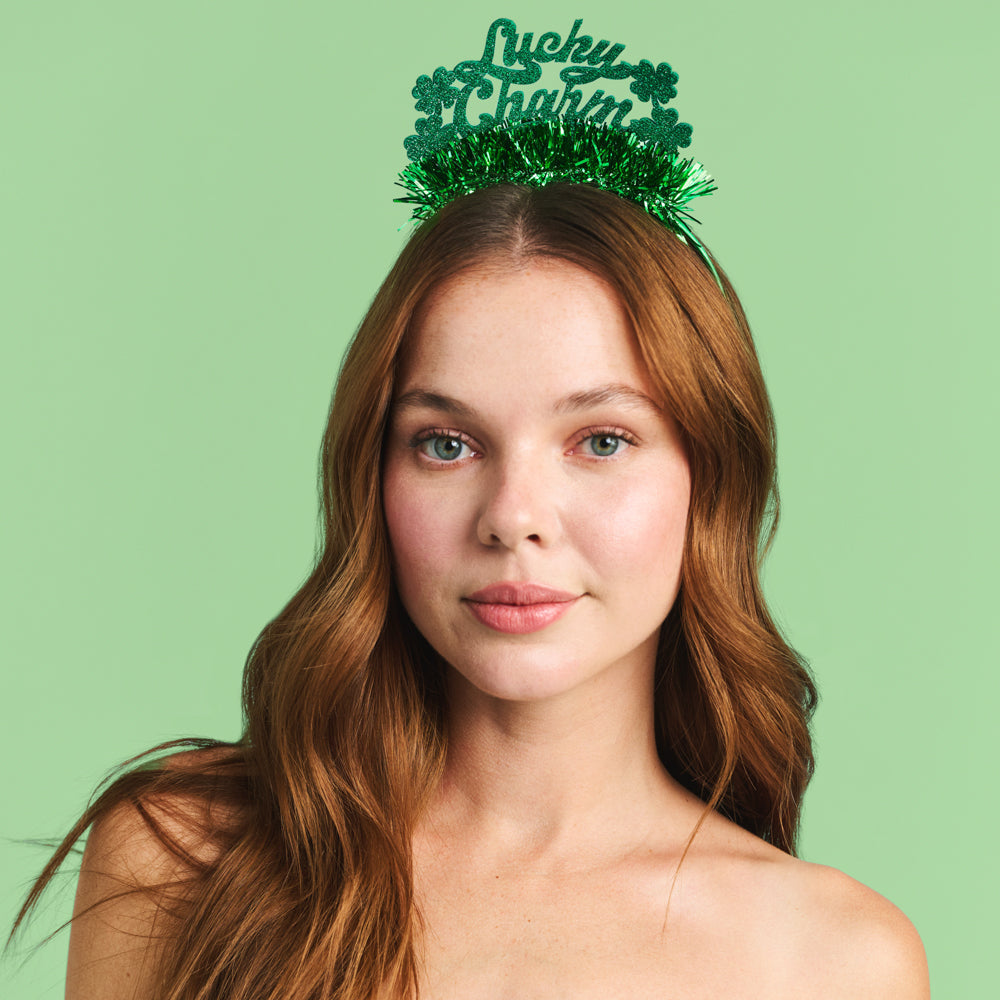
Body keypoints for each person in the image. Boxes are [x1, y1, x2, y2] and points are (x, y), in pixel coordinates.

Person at [13, 20, 930, 1000]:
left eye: (601, 440)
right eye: (446, 443)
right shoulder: (185, 857)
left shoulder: (832, 960)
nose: (512, 517)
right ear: (372, 477)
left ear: (709, 479)